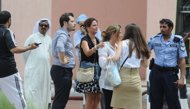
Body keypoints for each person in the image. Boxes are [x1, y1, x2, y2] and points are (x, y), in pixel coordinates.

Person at [0, 10, 38, 109]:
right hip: (8, 72)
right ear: (9, 20)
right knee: (19, 101)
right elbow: (14, 49)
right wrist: (30, 47)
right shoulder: (7, 32)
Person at [148, 18, 187, 109]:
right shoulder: (155, 39)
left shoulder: (178, 40)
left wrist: (182, 78)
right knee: (155, 101)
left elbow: (182, 60)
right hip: (156, 72)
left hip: (170, 74)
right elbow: (144, 51)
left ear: (170, 28)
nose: (161, 29)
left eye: (164, 27)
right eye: (160, 27)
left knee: (173, 100)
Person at [110, 23, 150, 109]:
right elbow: (146, 65)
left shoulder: (122, 43)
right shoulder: (142, 46)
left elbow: (116, 57)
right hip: (135, 79)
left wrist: (108, 58)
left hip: (123, 78)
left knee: (118, 106)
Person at [75, 17, 104, 109]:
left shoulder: (98, 39)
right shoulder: (84, 40)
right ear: (88, 28)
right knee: (90, 98)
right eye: (94, 25)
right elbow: (87, 53)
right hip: (88, 71)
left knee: (98, 97)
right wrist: (96, 47)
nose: (96, 27)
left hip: (97, 71)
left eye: (97, 25)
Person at [23, 18, 52, 109]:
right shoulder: (32, 37)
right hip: (33, 69)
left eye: (45, 25)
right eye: (41, 25)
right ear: (38, 26)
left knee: (43, 91)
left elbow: (49, 54)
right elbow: (25, 53)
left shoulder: (49, 39)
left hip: (45, 71)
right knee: (32, 90)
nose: (43, 27)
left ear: (48, 27)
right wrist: (31, 65)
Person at [50, 12, 76, 109]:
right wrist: (62, 60)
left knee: (60, 100)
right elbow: (60, 46)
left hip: (61, 70)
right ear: (65, 23)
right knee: (60, 102)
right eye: (72, 21)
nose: (75, 23)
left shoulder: (61, 33)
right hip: (62, 71)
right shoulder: (63, 34)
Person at [98, 25, 121, 109]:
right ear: (112, 34)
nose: (120, 35)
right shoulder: (104, 46)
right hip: (107, 83)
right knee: (107, 106)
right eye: (119, 33)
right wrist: (112, 59)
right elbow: (102, 64)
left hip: (116, 81)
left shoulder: (117, 46)